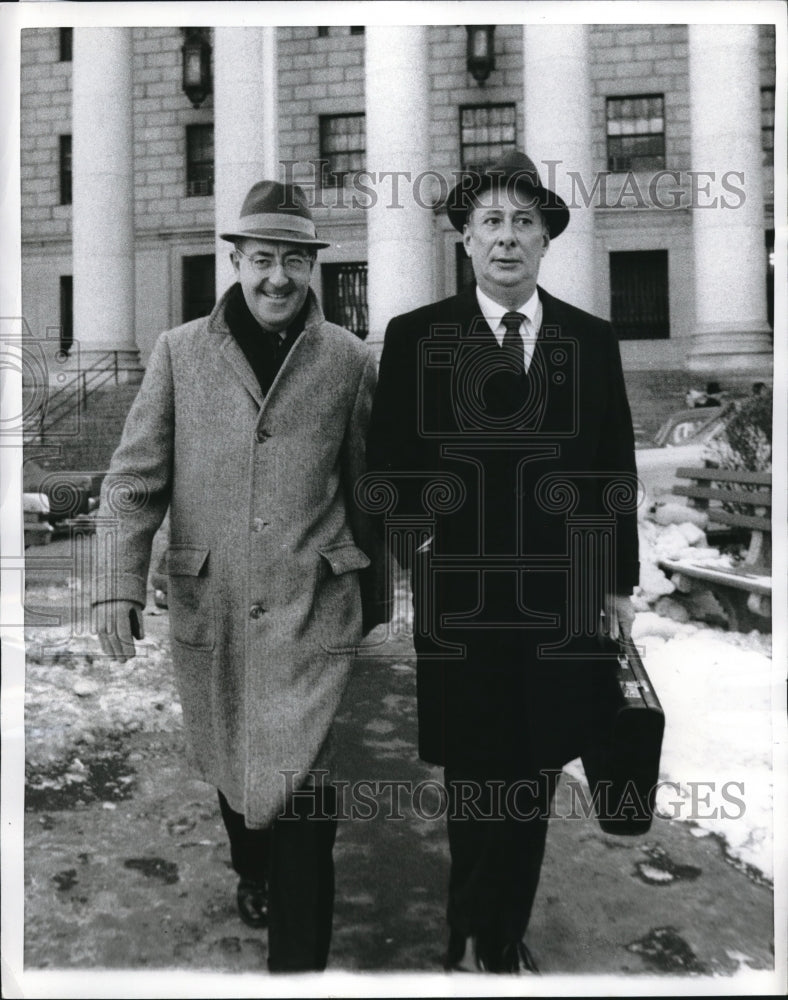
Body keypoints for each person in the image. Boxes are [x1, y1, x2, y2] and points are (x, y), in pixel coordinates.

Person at [92, 179, 389, 972]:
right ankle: (250, 865)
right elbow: (133, 481)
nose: (277, 278)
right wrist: (116, 581)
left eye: (294, 260)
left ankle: (299, 970)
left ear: (312, 266)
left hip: (313, 610)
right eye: (263, 259)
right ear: (236, 262)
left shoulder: (348, 360)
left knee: (307, 793)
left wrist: (375, 600)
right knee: (237, 774)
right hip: (214, 606)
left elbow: (368, 489)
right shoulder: (179, 352)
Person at [366, 151, 640, 974]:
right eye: (491, 221)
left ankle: (497, 937)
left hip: (564, 604)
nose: (507, 238)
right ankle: (471, 926)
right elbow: (389, 468)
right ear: (466, 239)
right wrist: (421, 545)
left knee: (534, 773)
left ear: (547, 240)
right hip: (464, 604)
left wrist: (617, 584)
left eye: (524, 222)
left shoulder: (590, 341)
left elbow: (613, 467)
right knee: (475, 774)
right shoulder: (418, 337)